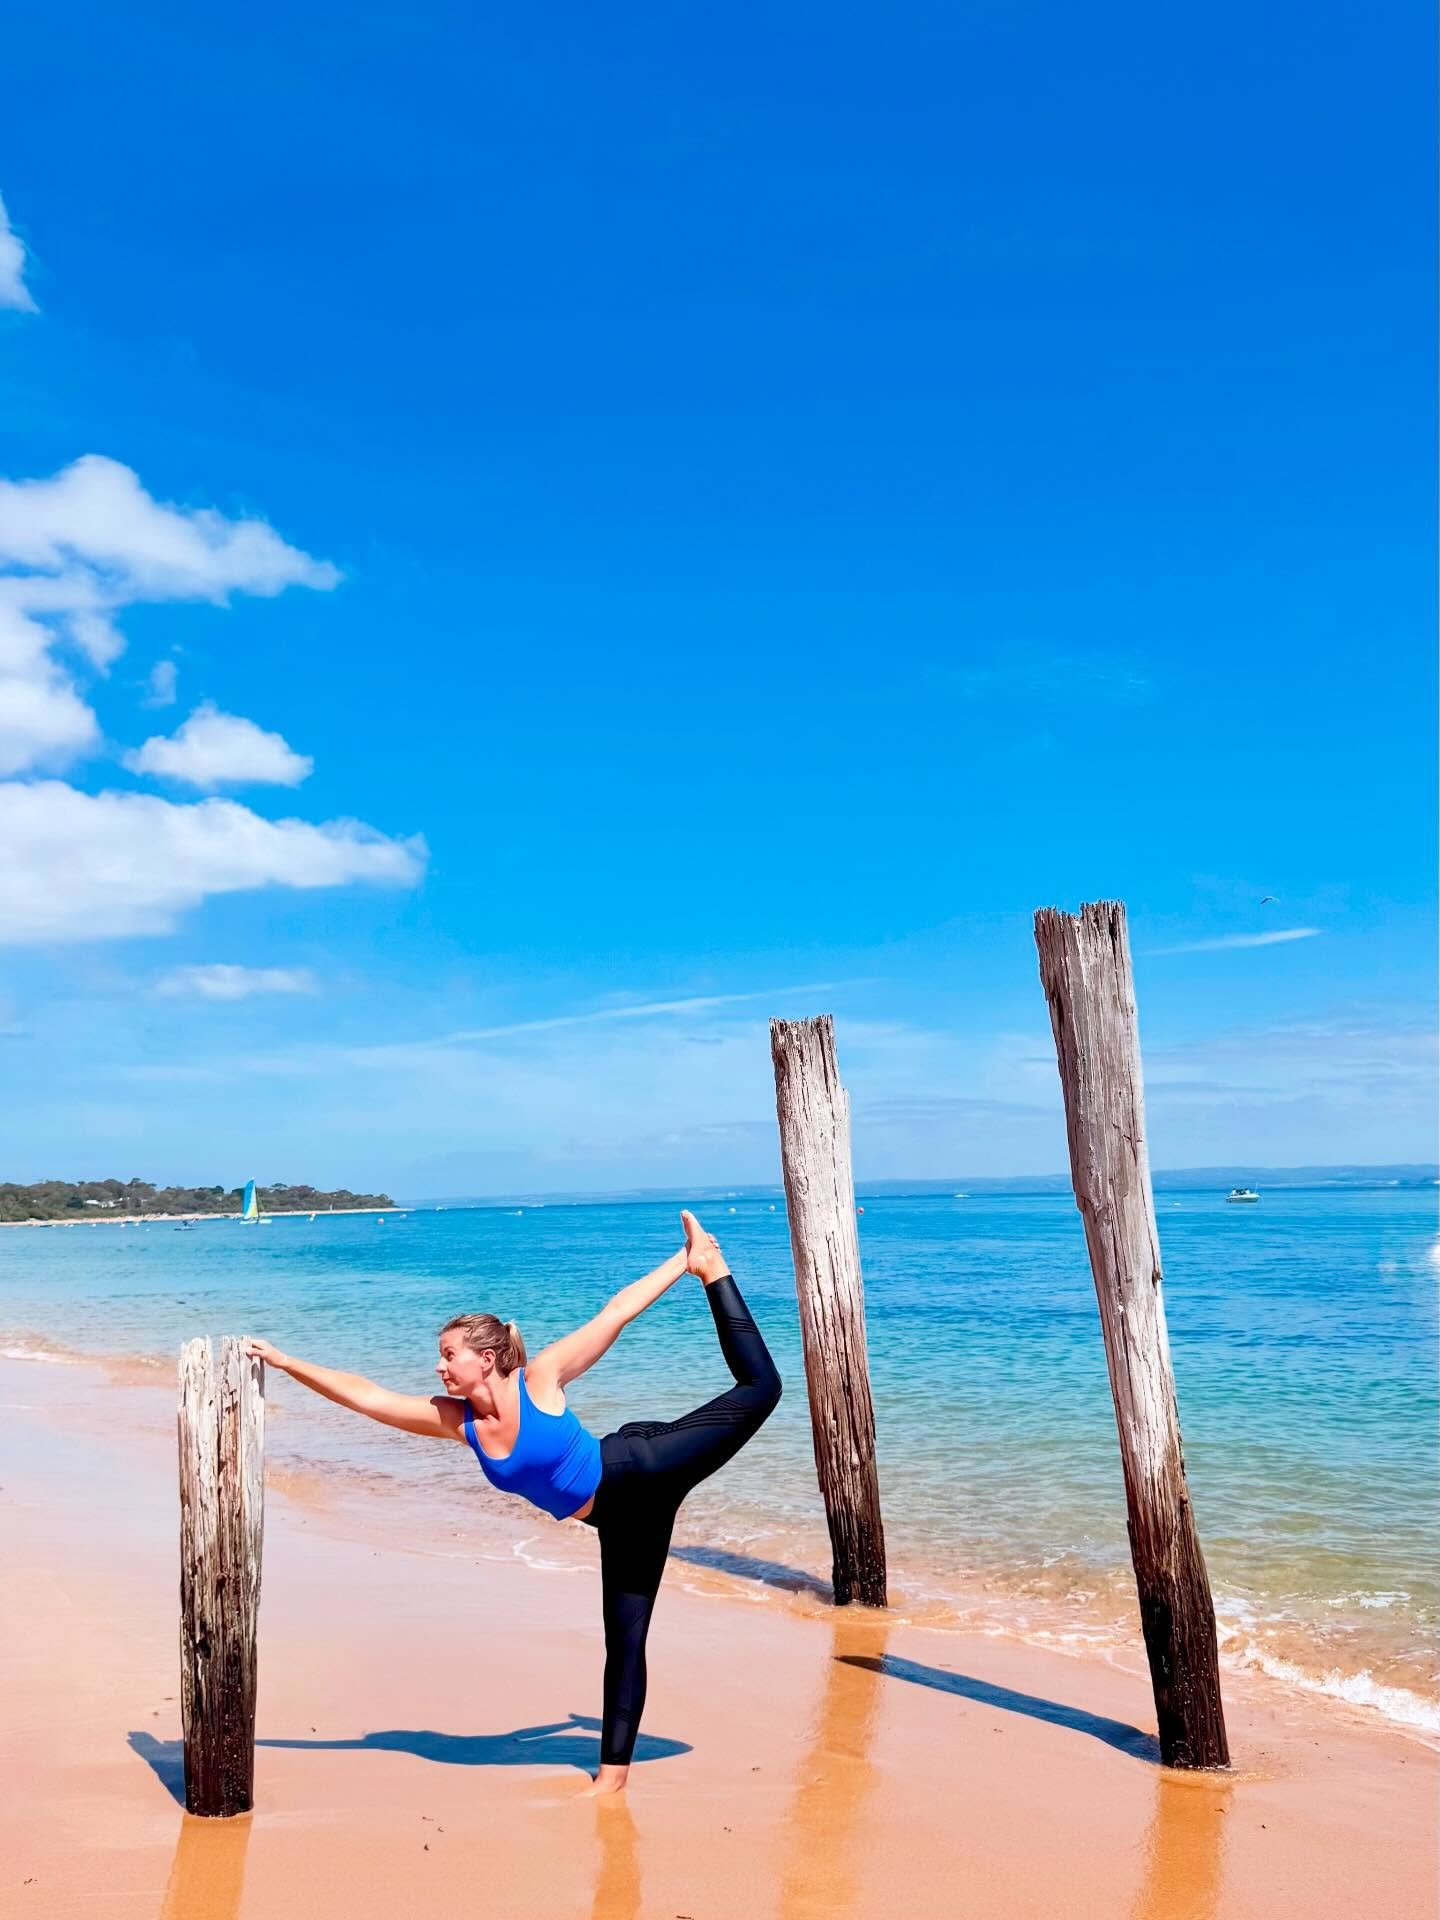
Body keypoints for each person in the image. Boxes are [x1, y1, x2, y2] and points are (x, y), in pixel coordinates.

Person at [242, 1208, 781, 1795]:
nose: (439, 1365)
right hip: (617, 1522)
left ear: (488, 1358)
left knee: (761, 1390)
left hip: (642, 1472)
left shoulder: (540, 1380)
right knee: (625, 1639)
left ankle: (715, 1269)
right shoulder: (457, 1422)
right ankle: (612, 1781)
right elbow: (369, 1397)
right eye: (441, 1356)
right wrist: (286, 1361)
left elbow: (617, 1311)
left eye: (449, 1354)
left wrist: (685, 1261)